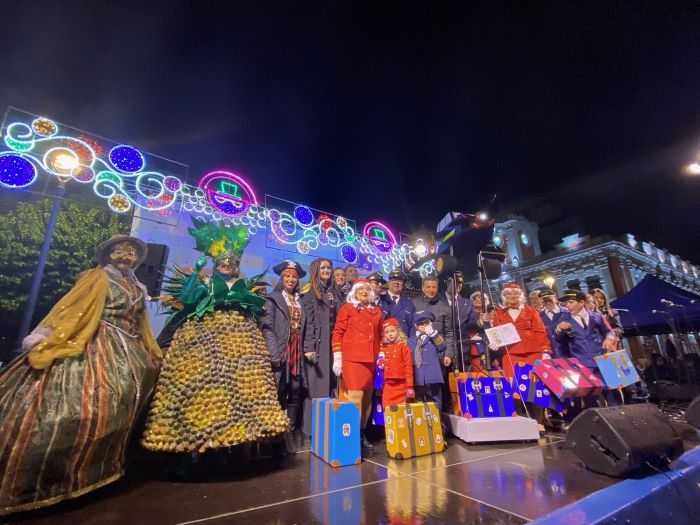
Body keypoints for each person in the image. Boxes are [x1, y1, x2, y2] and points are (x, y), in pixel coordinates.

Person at [0, 235, 162, 514]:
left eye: (130, 253)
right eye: (120, 252)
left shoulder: (136, 285)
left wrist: (150, 348)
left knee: (130, 398)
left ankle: (109, 464)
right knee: (87, 404)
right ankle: (56, 479)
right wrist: (45, 334)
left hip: (131, 347)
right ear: (109, 254)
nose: (125, 257)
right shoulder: (96, 278)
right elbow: (71, 308)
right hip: (97, 342)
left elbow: (141, 321)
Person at [142, 218, 287, 457]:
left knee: (238, 394)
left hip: (240, 346)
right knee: (203, 393)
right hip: (204, 342)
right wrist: (195, 272)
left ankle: (226, 449)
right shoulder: (206, 282)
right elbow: (188, 298)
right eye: (222, 262)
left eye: (231, 262)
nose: (226, 265)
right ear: (216, 263)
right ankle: (190, 451)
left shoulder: (243, 285)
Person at [262, 260, 307, 454]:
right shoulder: (272, 299)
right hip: (281, 350)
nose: (291, 279)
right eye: (287, 276)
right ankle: (275, 436)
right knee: (278, 392)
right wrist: (274, 352)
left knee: (296, 391)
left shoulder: (300, 300)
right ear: (282, 278)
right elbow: (267, 327)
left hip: (297, 351)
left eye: (294, 277)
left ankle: (290, 432)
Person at [332, 279, 383, 451]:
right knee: (355, 397)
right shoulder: (347, 309)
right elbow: (338, 333)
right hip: (352, 359)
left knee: (367, 400)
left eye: (367, 289)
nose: (364, 292)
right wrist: (338, 357)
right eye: (361, 289)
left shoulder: (376, 311)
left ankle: (361, 434)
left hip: (370, 360)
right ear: (354, 291)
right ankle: (350, 436)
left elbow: (380, 336)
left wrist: (381, 355)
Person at [555, 289, 618, 409]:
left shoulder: (596, 316)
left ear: (582, 302)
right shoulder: (564, 320)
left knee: (613, 398)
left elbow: (610, 331)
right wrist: (558, 329)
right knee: (591, 402)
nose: (567, 306)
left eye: (571, 302)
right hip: (583, 366)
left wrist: (609, 338)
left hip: (603, 361)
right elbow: (558, 340)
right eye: (566, 303)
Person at [301, 258, 340, 441]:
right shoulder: (310, 291)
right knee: (316, 389)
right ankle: (311, 431)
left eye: (328, 267)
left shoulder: (333, 291)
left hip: (333, 346)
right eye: (323, 267)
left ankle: (326, 428)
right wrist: (309, 346)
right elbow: (307, 322)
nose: (326, 270)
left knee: (331, 387)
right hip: (318, 346)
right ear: (316, 270)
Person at [490, 283, 551, 378]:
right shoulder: (498, 314)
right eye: (509, 294)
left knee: (535, 382)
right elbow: (496, 333)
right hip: (510, 354)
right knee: (513, 382)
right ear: (504, 296)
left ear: (521, 295)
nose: (512, 296)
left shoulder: (531, 310)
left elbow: (540, 331)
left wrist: (545, 350)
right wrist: (495, 344)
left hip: (533, 353)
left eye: (516, 293)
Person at [413, 276, 455, 410]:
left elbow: (449, 332)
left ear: (437, 288)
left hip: (438, 354)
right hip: (418, 353)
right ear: (422, 288)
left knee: (435, 389)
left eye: (434, 287)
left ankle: (437, 419)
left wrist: (448, 354)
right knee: (418, 388)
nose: (431, 290)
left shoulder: (445, 307)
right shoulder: (414, 304)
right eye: (428, 287)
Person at [407, 310, 447, 411]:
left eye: (426, 323)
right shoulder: (410, 340)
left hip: (432, 376)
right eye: (421, 323)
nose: (424, 325)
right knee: (418, 405)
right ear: (416, 325)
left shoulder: (433, 337)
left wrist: (432, 333)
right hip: (417, 377)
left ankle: (437, 420)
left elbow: (442, 346)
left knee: (435, 403)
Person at [443, 272, 478, 370]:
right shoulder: (438, 301)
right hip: (444, 350)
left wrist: (480, 322)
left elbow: (471, 324)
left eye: (460, 283)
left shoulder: (467, 303)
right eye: (455, 282)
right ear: (447, 283)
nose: (458, 285)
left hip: (463, 350)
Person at [376, 317, 414, 407]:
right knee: (387, 409)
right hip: (388, 386)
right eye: (387, 332)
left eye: (392, 331)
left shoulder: (403, 347)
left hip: (401, 385)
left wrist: (409, 386)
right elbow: (379, 369)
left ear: (398, 331)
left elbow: (408, 366)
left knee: (402, 411)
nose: (390, 334)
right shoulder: (382, 349)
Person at [379, 269, 415, 336]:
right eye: (393, 280)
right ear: (388, 282)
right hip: (384, 341)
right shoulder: (380, 300)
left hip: (404, 341)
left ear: (403, 284)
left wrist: (411, 341)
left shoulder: (409, 303)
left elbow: (413, 326)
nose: (396, 283)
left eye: (400, 281)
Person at [538, 289, 569, 358]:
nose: (548, 303)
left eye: (550, 299)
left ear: (555, 298)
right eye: (544, 301)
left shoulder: (567, 313)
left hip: (568, 353)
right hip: (551, 355)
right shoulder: (539, 317)